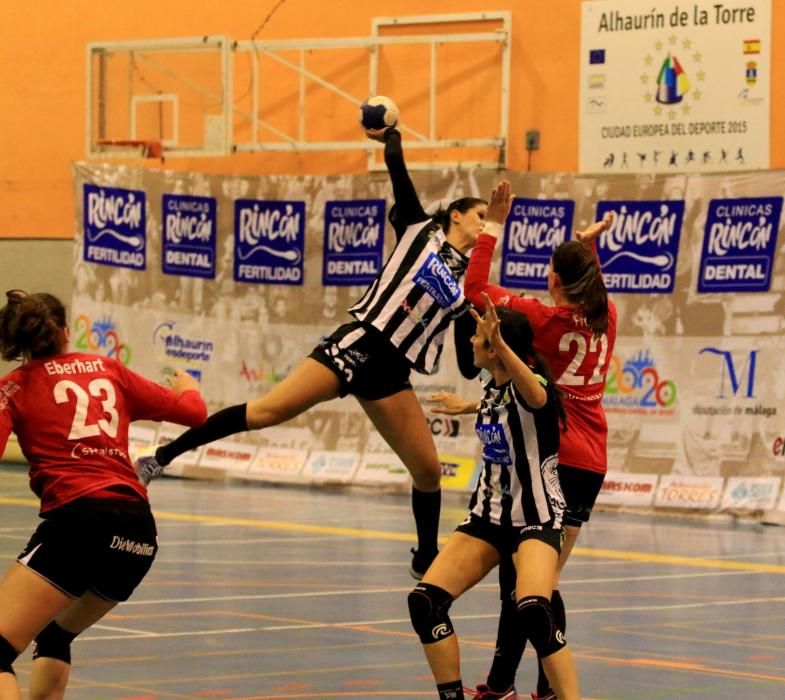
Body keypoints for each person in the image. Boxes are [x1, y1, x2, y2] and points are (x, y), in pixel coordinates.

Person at [136, 125, 500, 579]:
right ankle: (160, 459)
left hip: (392, 372)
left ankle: (425, 558)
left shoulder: (472, 284)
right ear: (457, 215)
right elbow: (399, 176)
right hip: (358, 345)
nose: (486, 222)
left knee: (428, 472)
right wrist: (391, 137)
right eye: (480, 213)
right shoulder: (420, 233)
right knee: (267, 412)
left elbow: (469, 366)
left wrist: (484, 333)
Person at [434, 207, 616, 699]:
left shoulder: (543, 320)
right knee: (539, 585)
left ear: (553, 277)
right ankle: (517, 685)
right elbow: (588, 286)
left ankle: (517, 687)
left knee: (530, 588)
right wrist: (588, 246)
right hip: (591, 460)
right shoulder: (607, 315)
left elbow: (474, 289)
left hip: (550, 458)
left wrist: (492, 226)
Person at [0, 290, 207, 699]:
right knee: (55, 635)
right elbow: (194, 414)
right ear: (63, 332)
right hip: (137, 532)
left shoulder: (14, 387)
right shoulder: (107, 368)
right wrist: (189, 385)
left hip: (80, 522)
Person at [408, 294, 579, 700]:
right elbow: (496, 403)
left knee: (534, 610)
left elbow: (534, 398)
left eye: (478, 337)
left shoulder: (531, 385)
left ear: (498, 348)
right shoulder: (494, 388)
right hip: (489, 518)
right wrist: (463, 406)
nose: (470, 342)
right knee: (424, 603)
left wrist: (501, 344)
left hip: (536, 520)